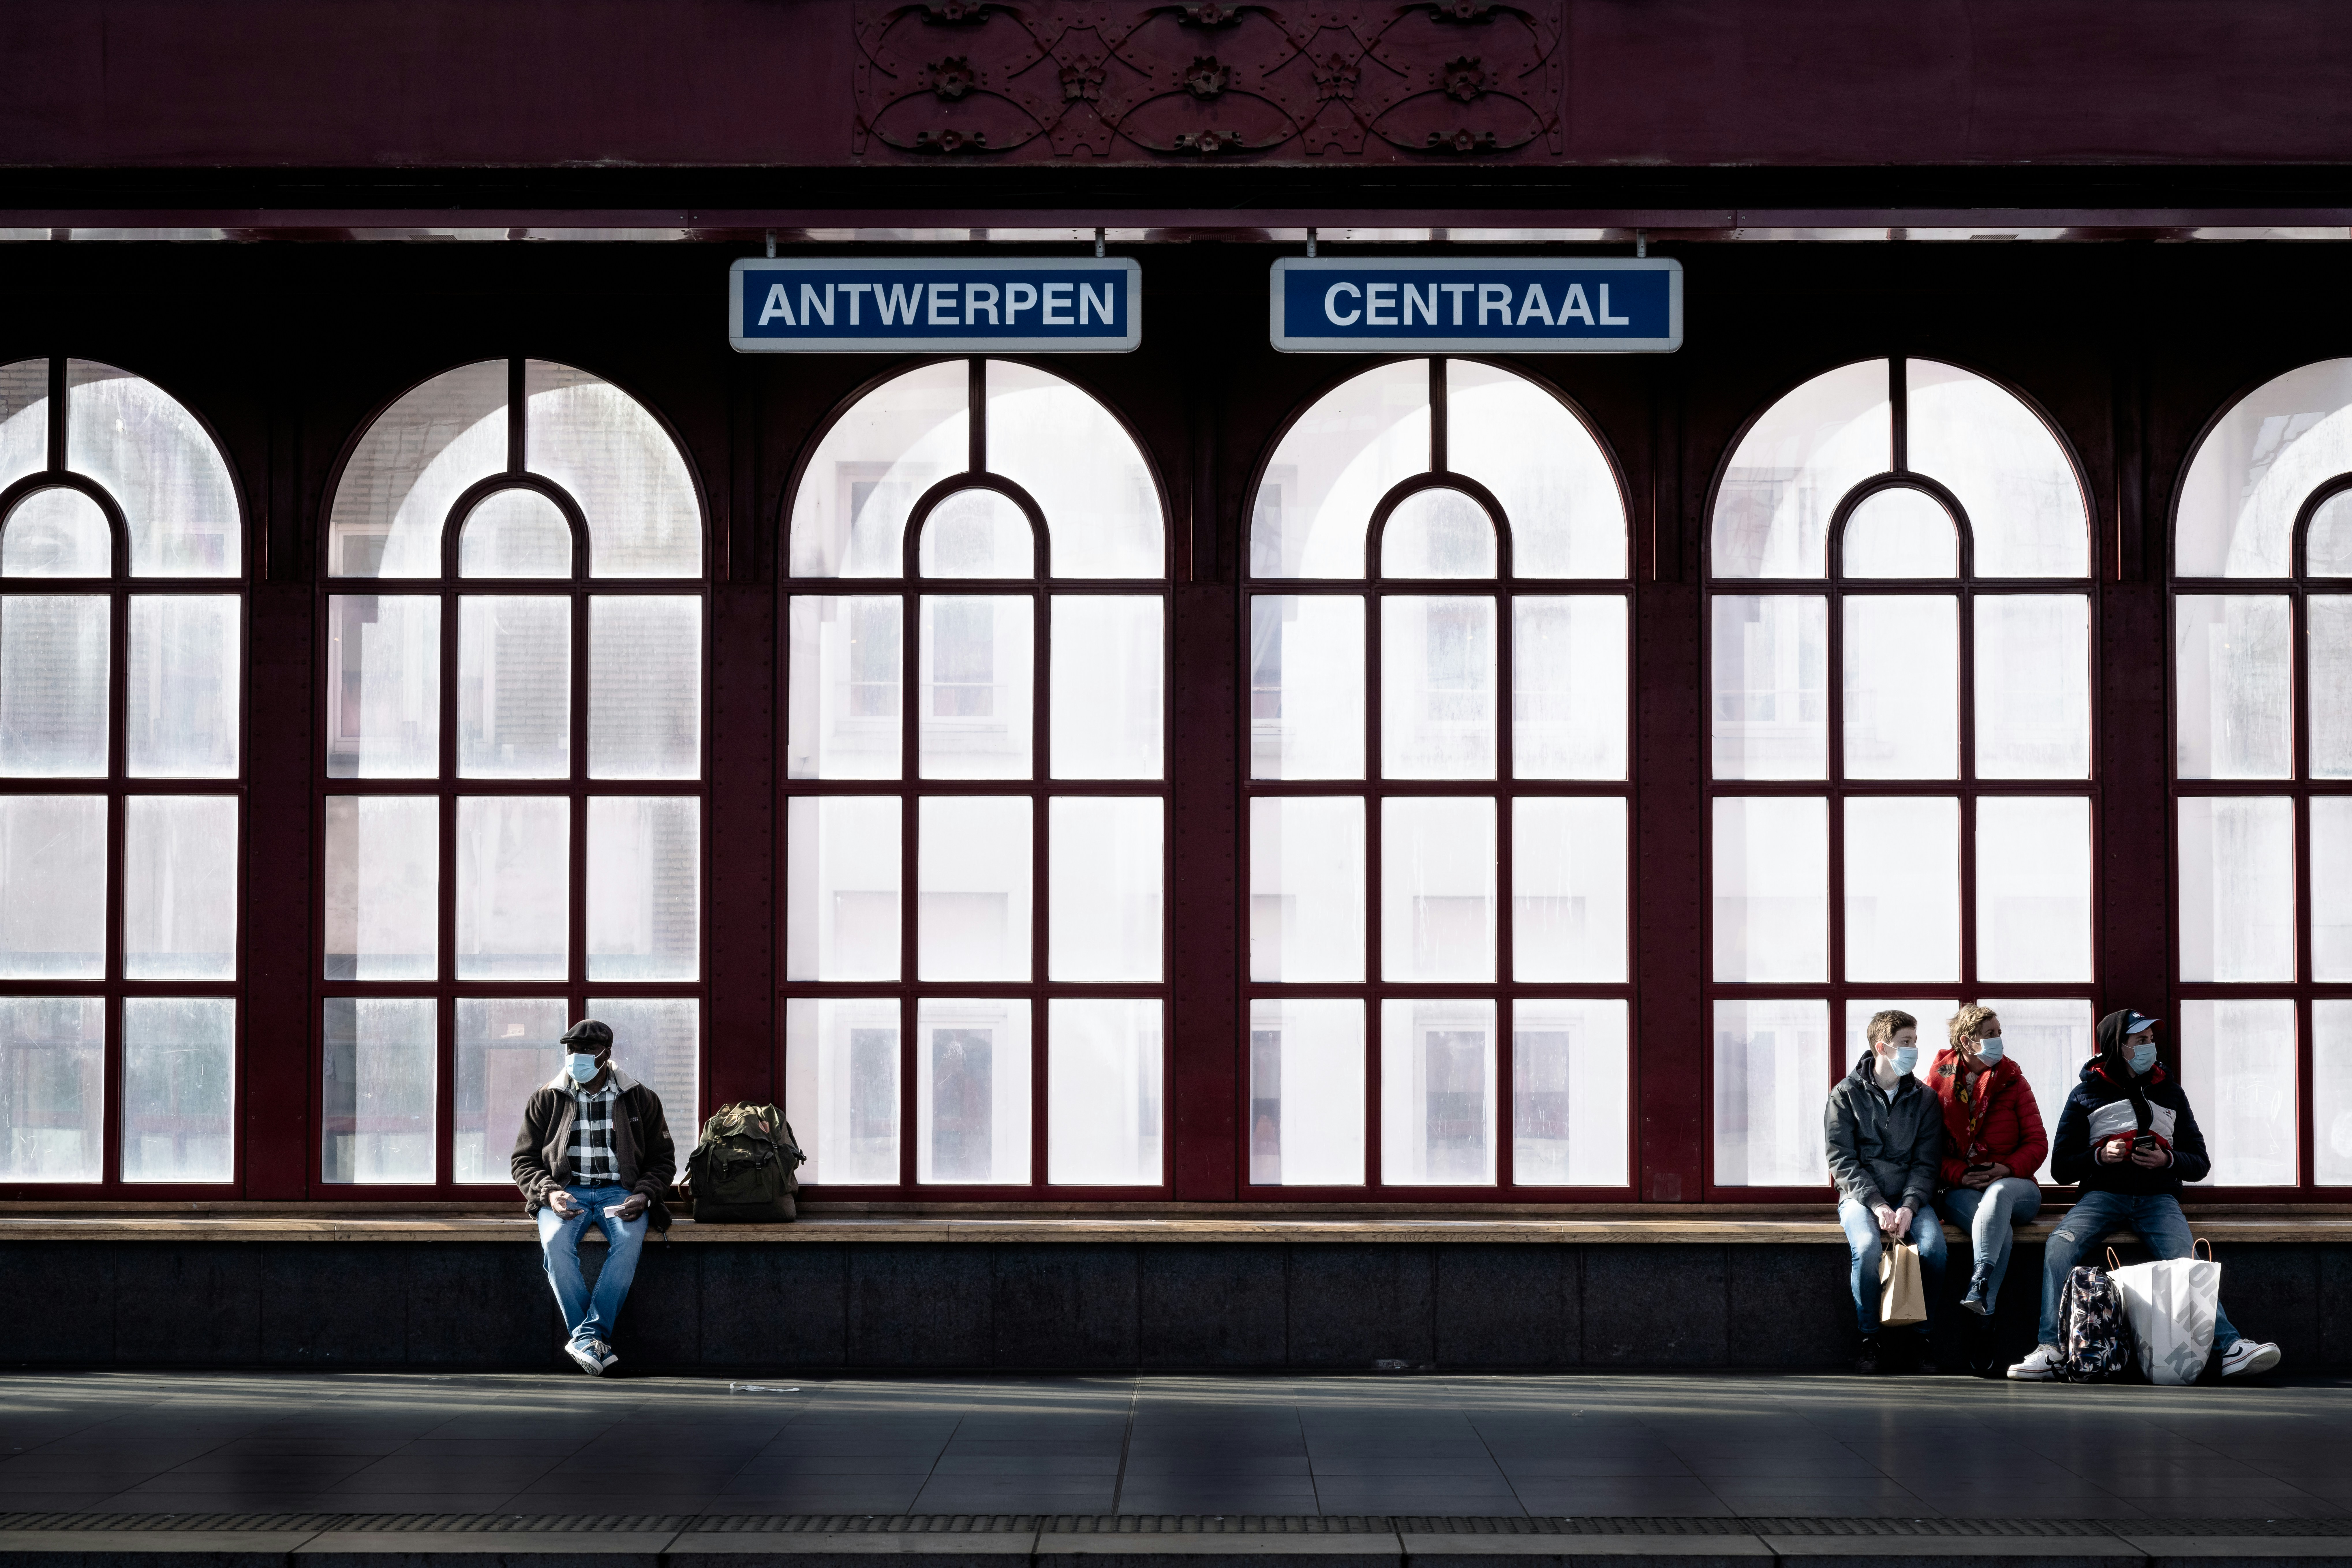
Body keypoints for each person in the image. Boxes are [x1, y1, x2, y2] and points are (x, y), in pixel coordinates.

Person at [2006, 1009, 2282, 1381]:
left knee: (2187, 1261)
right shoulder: (2085, 1094)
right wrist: (2100, 1157)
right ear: (2117, 1047)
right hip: (2102, 1196)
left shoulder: (2170, 1092)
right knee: (2059, 1244)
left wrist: (2166, 1159)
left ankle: (2229, 1348)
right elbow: (2061, 1168)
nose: (2149, 1046)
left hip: (2158, 1200)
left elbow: (2199, 1162)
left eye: (2151, 1040)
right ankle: (2051, 1350)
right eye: (2140, 1041)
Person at [511, 1018, 676, 1375]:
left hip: (621, 1192)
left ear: (606, 1055)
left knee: (629, 1243)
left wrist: (645, 1195)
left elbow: (663, 1161)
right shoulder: (546, 1098)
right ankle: (592, 1338)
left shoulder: (640, 1098)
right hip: (565, 1191)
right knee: (555, 1244)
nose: (576, 1058)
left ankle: (587, 1336)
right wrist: (549, 1192)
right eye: (571, 1050)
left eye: (586, 1051)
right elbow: (523, 1161)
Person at [1826, 1009, 1948, 1374]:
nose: (1913, 1050)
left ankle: (1921, 1338)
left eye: (1914, 1042)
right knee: (1865, 1251)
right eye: (1905, 1043)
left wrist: (1909, 1206)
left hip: (1911, 1197)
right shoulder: (1845, 1095)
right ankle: (1869, 1338)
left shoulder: (1923, 1099)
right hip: (1861, 1198)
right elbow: (1841, 1159)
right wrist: (1878, 1205)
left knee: (1934, 1251)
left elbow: (1927, 1163)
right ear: (1882, 1047)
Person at [1929, 1006, 2047, 1324]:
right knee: (1998, 1228)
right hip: (1962, 1188)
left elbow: (2038, 1144)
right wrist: (1961, 1175)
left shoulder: (2014, 1081)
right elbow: (1928, 1152)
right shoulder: (1936, 1086)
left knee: (1997, 1197)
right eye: (1990, 1035)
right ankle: (1983, 1312)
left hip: (2015, 1185)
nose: (1998, 1040)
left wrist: (2006, 1170)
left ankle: (1979, 1275)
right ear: (1967, 1042)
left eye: (1999, 1033)